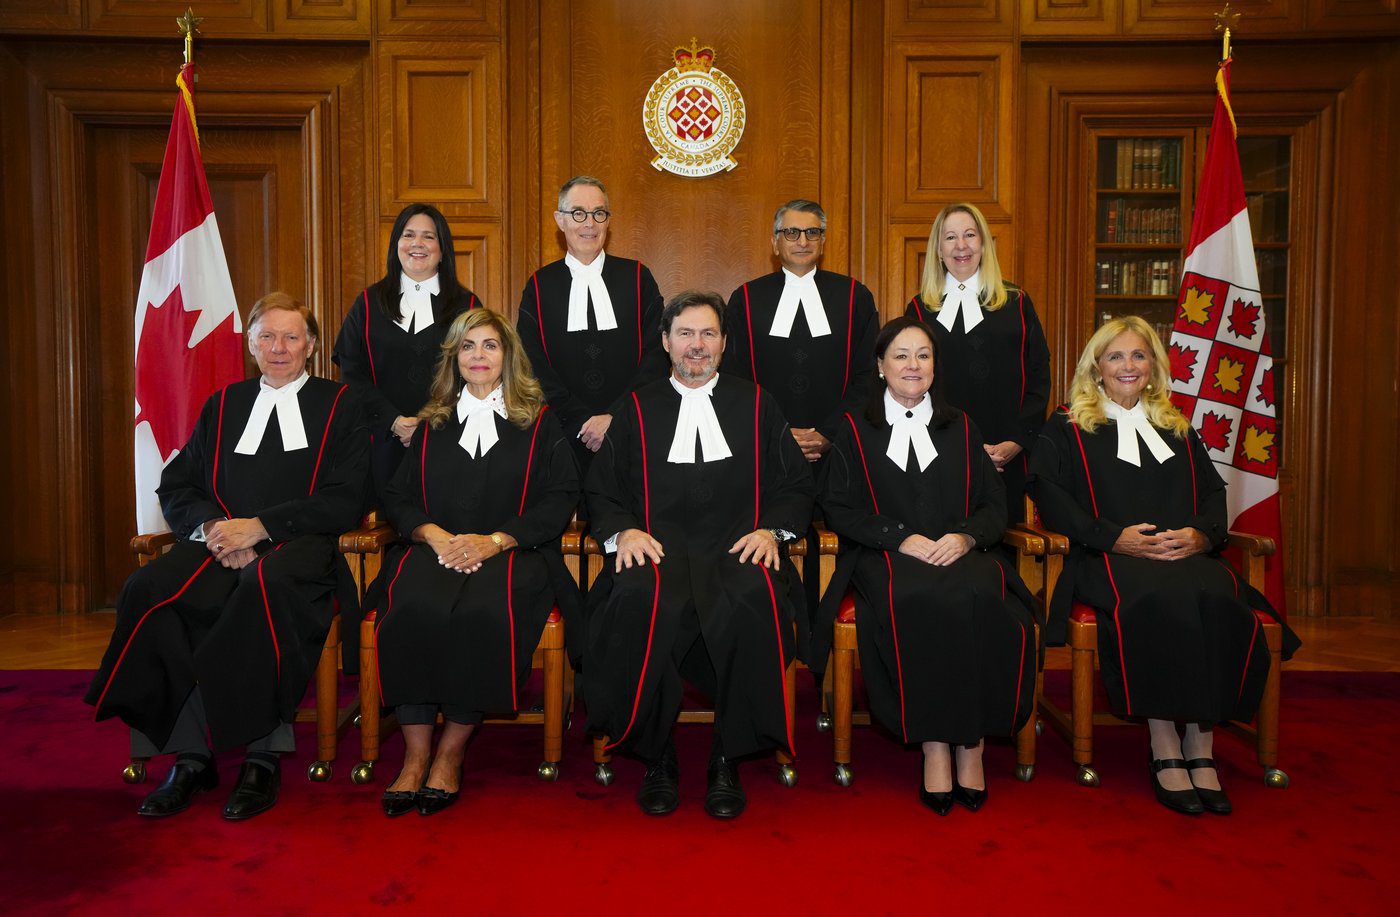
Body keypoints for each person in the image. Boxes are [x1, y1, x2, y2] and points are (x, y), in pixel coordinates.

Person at [87, 293, 369, 820]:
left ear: (311, 346)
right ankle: (191, 756)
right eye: (267, 337)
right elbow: (178, 485)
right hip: (219, 543)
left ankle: (262, 756)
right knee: (149, 591)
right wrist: (218, 530)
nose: (278, 347)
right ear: (251, 345)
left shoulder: (341, 404)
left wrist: (259, 530)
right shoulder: (224, 405)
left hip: (299, 548)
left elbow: (346, 498)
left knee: (261, 589)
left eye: (291, 337)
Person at [1027, 316, 1299, 815]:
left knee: (1216, 597)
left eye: (1138, 355)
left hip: (1183, 555)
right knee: (1158, 598)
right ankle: (1164, 741)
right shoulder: (1067, 425)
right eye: (1115, 357)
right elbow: (1050, 497)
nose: (1127, 366)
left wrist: (1200, 536)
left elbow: (1213, 494)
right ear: (1096, 367)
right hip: (1107, 558)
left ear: (1153, 365)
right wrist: (1115, 538)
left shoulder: (1175, 425)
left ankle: (1200, 741)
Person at [584, 291, 814, 819]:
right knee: (638, 600)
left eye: (708, 334)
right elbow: (602, 489)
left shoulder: (756, 403)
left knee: (754, 597)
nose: (697, 345)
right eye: (685, 333)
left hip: (735, 549)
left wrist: (771, 532)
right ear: (665, 342)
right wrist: (625, 532)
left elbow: (795, 484)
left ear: (724, 343)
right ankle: (657, 754)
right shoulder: (636, 406)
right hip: (657, 549)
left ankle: (728, 756)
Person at [814, 316, 1036, 815]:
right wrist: (900, 538)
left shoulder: (962, 425)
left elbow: (994, 504)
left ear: (936, 366)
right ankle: (935, 744)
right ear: (880, 366)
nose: (912, 365)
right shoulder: (854, 428)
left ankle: (972, 743)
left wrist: (965, 536)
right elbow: (838, 508)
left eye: (923, 355)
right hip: (885, 556)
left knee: (985, 598)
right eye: (901, 355)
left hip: (960, 551)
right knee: (922, 597)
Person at [369, 309, 579, 817]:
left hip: (513, 553)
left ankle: (450, 753)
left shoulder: (540, 422)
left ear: (508, 356)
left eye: (490, 345)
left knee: (480, 613)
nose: (478, 356)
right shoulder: (432, 422)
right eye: (468, 346)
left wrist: (496, 541)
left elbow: (561, 498)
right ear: (454, 358)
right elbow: (397, 497)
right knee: (412, 609)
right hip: (436, 550)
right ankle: (415, 756)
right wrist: (435, 535)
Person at [905, 202, 1050, 521]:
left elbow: (1039, 376)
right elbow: (909, 386)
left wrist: (1017, 440)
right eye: (950, 237)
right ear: (938, 250)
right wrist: (961, 448)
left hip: (1009, 453)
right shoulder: (919, 310)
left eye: (970, 235)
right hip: (941, 453)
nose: (961, 245)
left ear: (983, 244)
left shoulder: (1017, 302)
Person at [516, 176, 668, 474]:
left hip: (629, 433)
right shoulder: (540, 285)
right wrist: (578, 421)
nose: (590, 223)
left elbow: (658, 355)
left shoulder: (638, 278)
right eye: (578, 213)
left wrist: (616, 417)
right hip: (560, 436)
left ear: (608, 221)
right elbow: (529, 361)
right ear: (560, 220)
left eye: (599, 213)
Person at [333, 202, 483, 500]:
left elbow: (478, 374)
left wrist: (428, 423)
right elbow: (351, 371)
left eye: (429, 236)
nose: (418, 243)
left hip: (447, 440)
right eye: (409, 235)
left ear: (443, 249)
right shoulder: (368, 303)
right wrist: (392, 420)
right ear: (396, 244)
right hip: (379, 440)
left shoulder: (466, 305)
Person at [724, 199, 879, 465]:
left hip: (840, 448)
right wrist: (777, 433)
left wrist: (830, 432)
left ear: (823, 241)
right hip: (766, 449)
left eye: (812, 232)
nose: (803, 241)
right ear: (775, 243)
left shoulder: (855, 296)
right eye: (791, 233)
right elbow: (733, 377)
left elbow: (868, 374)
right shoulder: (746, 299)